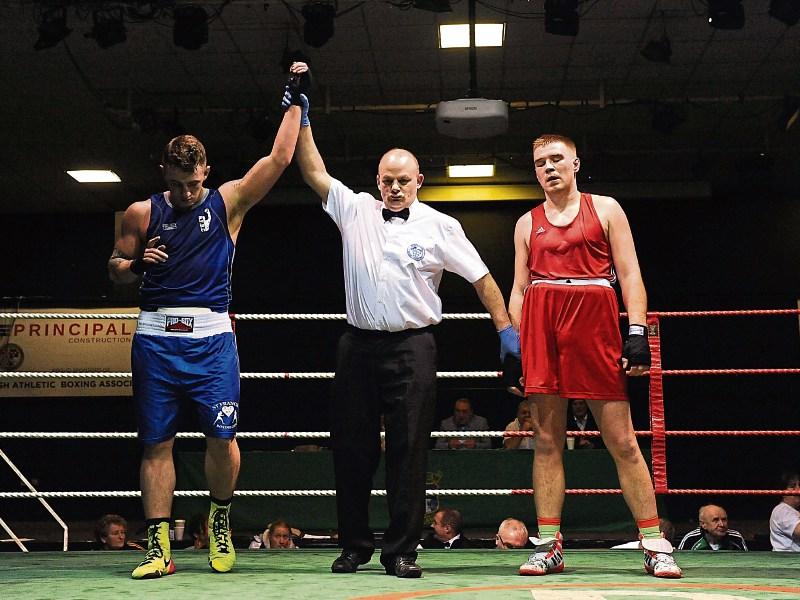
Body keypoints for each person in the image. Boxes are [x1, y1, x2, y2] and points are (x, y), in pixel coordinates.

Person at [292, 63, 520, 579]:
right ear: (377, 181)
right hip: (357, 345)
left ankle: (401, 551)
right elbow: (312, 171)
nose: (395, 188)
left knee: (409, 451)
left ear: (419, 180)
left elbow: (484, 280)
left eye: (403, 181)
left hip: (414, 347)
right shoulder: (354, 209)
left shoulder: (442, 225)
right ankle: (353, 544)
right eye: (387, 181)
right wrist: (302, 115)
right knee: (350, 450)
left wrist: (507, 333)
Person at [107, 74, 303, 579]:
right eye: (178, 183)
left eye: (195, 182)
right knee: (156, 443)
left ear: (207, 173)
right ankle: (158, 547)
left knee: (222, 438)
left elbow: (279, 160)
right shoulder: (139, 212)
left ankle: (219, 520)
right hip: (155, 339)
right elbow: (114, 269)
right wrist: (137, 268)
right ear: (164, 174)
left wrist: (295, 105)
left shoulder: (228, 202)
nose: (188, 192)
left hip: (213, 341)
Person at [507, 134, 681, 578]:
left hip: (595, 318)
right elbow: (519, 289)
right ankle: (548, 545)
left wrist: (637, 331)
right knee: (546, 441)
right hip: (543, 323)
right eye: (540, 162)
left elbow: (629, 274)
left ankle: (654, 541)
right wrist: (512, 342)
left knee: (622, 440)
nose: (548, 168)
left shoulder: (605, 208)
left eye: (556, 159)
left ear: (576, 163)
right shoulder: (526, 223)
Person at [678, 504, 748, 551]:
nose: (722, 524)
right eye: (715, 520)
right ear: (703, 524)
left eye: (724, 519)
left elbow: (747, 564)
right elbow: (677, 565)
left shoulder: (736, 538)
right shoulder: (690, 539)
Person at [770, 469, 800, 551]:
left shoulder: (794, 510)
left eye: (799, 485)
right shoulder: (782, 510)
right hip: (788, 561)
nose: (798, 490)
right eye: (793, 486)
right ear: (783, 492)